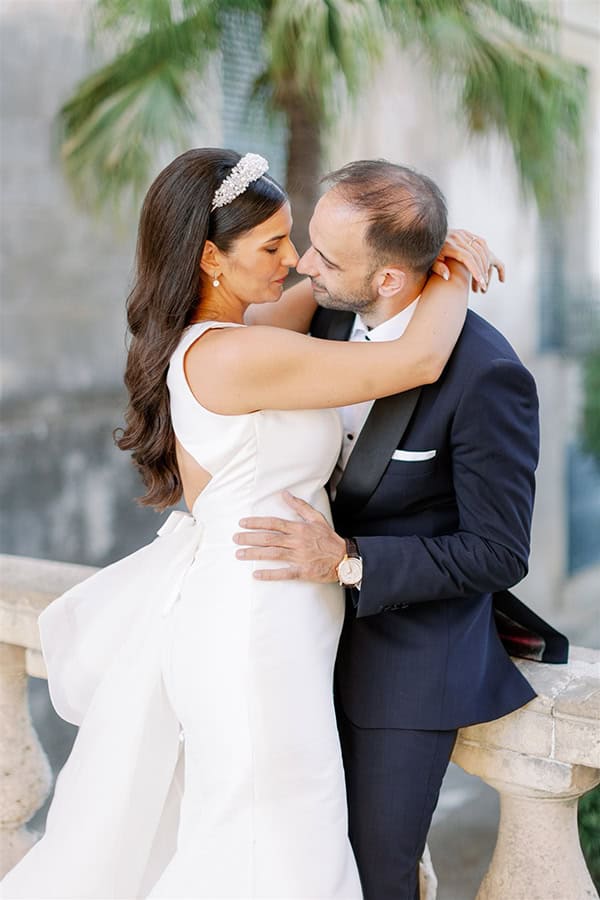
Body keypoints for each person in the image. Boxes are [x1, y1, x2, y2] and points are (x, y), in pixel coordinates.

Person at [0, 149, 494, 900]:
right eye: (272, 247)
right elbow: (420, 360)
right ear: (209, 258)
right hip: (257, 628)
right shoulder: (232, 356)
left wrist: (405, 251)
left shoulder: (238, 328)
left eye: (291, 238)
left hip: (272, 618)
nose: (295, 261)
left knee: (272, 828)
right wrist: (452, 264)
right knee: (273, 843)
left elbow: (319, 299)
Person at [234, 160, 569, 900]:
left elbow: (499, 551)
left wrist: (348, 560)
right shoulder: (320, 309)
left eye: (324, 255)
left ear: (388, 279)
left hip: (409, 666)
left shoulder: (487, 376)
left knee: (375, 876)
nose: (301, 264)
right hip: (294, 645)